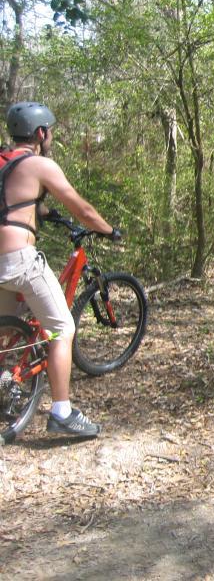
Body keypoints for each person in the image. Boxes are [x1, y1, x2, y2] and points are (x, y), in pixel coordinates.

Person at [0, 101, 120, 437]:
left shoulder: (4, 161)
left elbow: (15, 200)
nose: (50, 136)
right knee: (62, 329)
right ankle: (62, 413)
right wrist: (109, 230)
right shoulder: (38, 163)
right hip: (18, 259)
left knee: (6, 335)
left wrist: (44, 211)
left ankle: (6, 386)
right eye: (49, 130)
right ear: (40, 133)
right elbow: (82, 208)